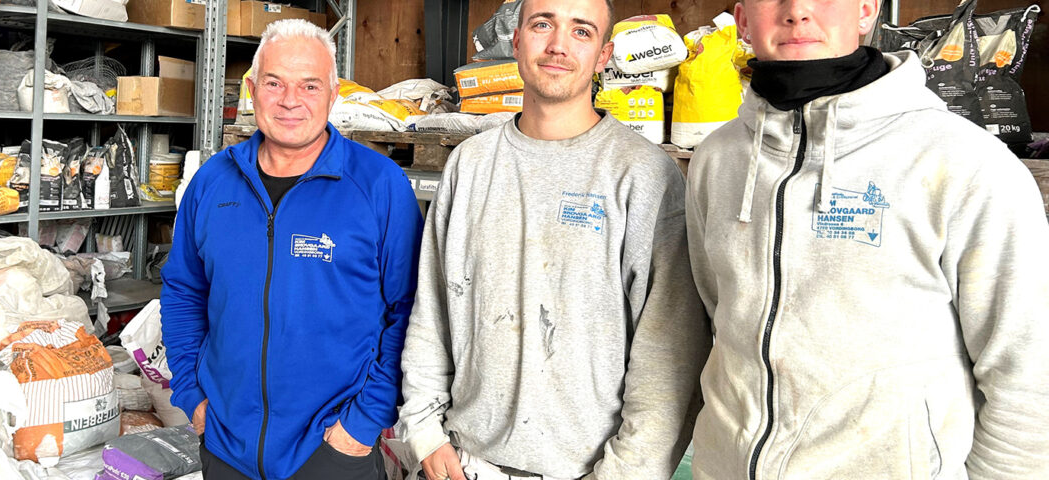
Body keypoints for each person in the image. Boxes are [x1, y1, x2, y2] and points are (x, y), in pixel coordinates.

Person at [685, 0, 1049, 476]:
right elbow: (717, 312)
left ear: (865, 11)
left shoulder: (965, 161)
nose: (796, 11)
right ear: (743, 21)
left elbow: (1025, 370)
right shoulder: (716, 158)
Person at [397, 0, 711, 479]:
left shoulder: (643, 175)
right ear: (516, 41)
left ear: (603, 56)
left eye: (581, 31)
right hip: (464, 461)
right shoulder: (470, 164)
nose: (559, 45)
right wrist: (424, 431)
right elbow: (433, 308)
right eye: (542, 24)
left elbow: (668, 352)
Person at [159, 19, 423, 480]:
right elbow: (183, 290)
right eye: (275, 83)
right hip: (225, 445)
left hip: (332, 451)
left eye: (309, 85)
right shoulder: (212, 182)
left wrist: (363, 423)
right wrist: (192, 396)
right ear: (252, 89)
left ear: (333, 94)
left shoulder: (379, 185)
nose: (290, 100)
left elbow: (410, 311)